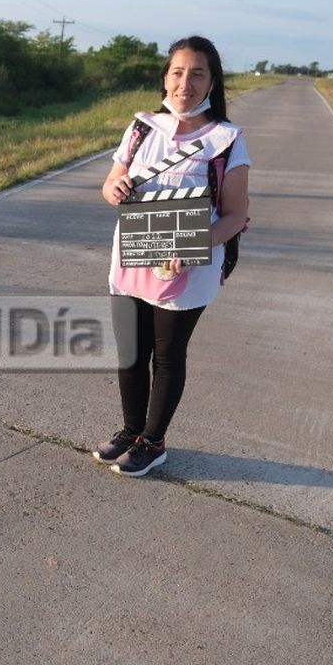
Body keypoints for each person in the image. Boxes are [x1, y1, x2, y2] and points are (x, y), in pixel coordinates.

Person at [92, 36, 251, 477]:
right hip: (132, 260)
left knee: (166, 355)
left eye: (198, 73)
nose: (186, 83)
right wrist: (114, 189)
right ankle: (130, 431)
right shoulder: (142, 128)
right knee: (129, 352)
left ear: (212, 82)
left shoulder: (227, 140)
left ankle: (153, 442)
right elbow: (110, 185)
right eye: (178, 72)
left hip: (185, 268)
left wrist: (192, 245)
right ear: (165, 77)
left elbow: (235, 216)